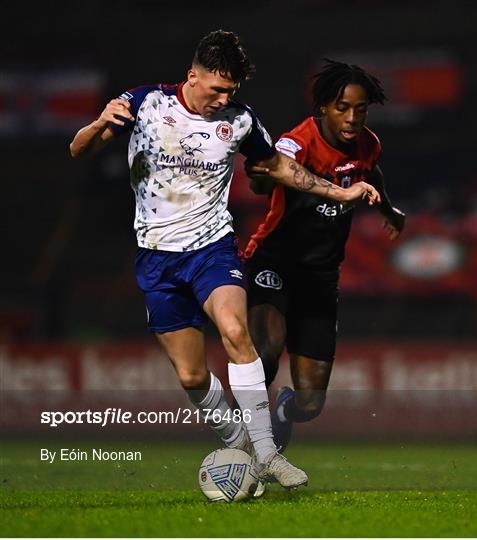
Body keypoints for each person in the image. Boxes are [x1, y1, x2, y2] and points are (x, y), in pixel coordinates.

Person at [69, 32, 381, 490]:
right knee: (193, 375)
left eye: (230, 91)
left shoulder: (240, 121)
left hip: (212, 247)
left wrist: (340, 190)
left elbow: (278, 167)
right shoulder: (144, 103)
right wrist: (98, 125)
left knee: (236, 332)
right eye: (216, 88)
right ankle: (239, 442)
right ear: (191, 75)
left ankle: (270, 454)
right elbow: (78, 149)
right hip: (156, 255)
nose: (222, 99)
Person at [244, 59, 405, 452]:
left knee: (311, 403)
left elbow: (371, 172)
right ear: (323, 108)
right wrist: (260, 175)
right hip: (275, 261)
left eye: (360, 108)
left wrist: (388, 210)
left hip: (320, 278)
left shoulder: (369, 144)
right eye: (342, 107)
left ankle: (282, 412)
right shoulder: (297, 142)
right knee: (265, 354)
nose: (352, 117)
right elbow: (266, 173)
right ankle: (241, 443)